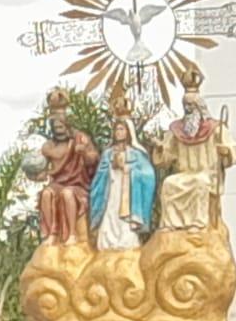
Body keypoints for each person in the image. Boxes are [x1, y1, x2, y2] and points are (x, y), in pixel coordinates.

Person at [150, 69, 236, 232]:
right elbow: (167, 157)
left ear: (199, 106)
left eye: (191, 105)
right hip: (185, 173)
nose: (188, 109)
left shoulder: (215, 128)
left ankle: (198, 223)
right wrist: (160, 148)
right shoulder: (177, 130)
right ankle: (171, 223)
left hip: (206, 174)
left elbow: (232, 149)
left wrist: (226, 152)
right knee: (169, 183)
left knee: (200, 182)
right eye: (185, 105)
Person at [26, 87, 100, 245]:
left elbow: (94, 160)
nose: (58, 130)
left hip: (78, 185)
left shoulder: (80, 139)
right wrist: (34, 173)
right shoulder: (49, 146)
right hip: (57, 183)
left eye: (61, 126)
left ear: (67, 124)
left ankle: (71, 234)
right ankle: (51, 234)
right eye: (55, 127)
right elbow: (43, 172)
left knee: (67, 194)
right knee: (47, 193)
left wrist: (84, 152)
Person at [90, 110, 157, 251]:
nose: (119, 132)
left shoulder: (136, 153)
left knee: (125, 221)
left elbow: (148, 175)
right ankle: (108, 243)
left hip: (128, 193)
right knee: (110, 213)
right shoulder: (108, 153)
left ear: (128, 132)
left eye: (122, 129)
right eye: (117, 129)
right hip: (111, 191)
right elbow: (99, 176)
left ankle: (126, 243)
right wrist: (110, 168)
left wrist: (128, 169)